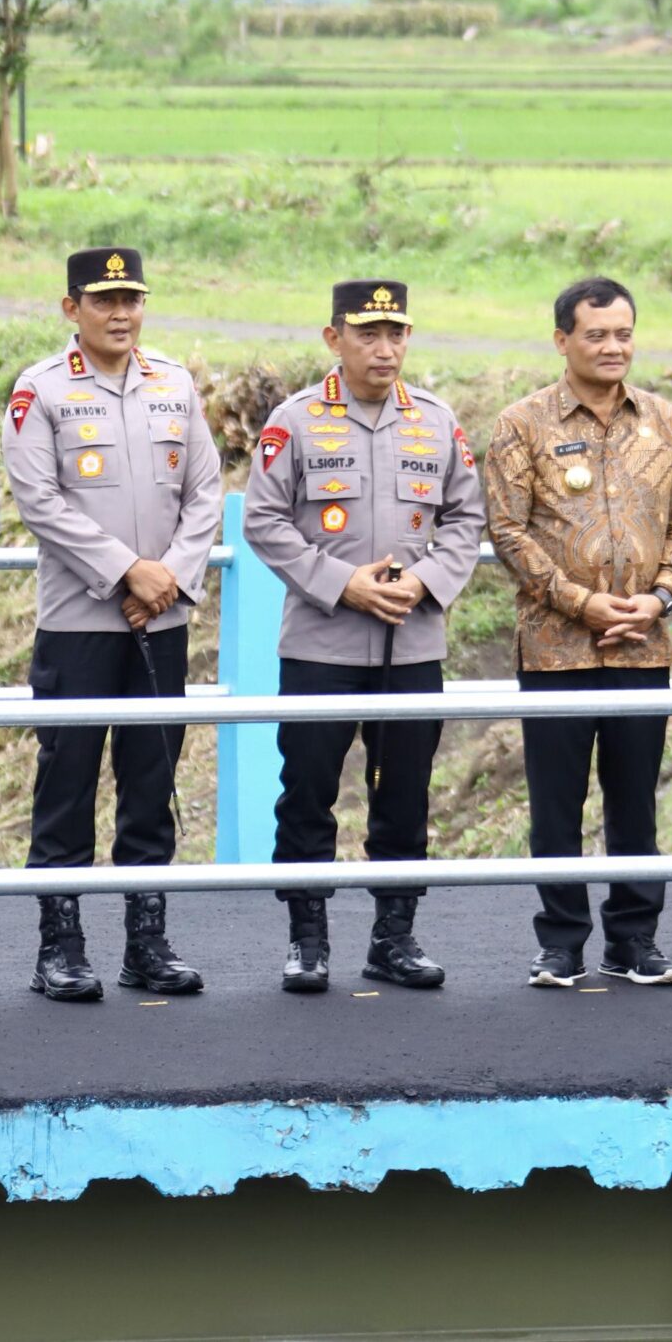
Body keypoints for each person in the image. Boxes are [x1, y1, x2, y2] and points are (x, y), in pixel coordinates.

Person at [242, 280, 487, 993]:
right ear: (334, 338)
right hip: (322, 642)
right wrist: (339, 581)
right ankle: (307, 936)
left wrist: (427, 580)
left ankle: (395, 934)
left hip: (411, 642)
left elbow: (466, 520)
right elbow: (264, 521)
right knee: (308, 791)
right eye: (368, 333)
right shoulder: (294, 420)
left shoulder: (438, 422)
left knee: (405, 791)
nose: (385, 348)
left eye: (396, 333)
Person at [1, 246, 223, 1000]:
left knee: (151, 783)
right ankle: (59, 948)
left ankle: (147, 943)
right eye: (104, 300)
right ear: (72, 309)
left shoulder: (175, 384)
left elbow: (205, 491)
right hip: (80, 624)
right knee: (66, 786)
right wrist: (128, 570)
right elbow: (40, 503)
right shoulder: (41, 392)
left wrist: (170, 578)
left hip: (160, 622)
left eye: (132, 298)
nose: (121, 312)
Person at [484, 276, 672, 990]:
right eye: (597, 334)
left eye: (623, 334)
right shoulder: (522, 425)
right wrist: (582, 602)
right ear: (562, 340)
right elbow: (508, 530)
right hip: (556, 650)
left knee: (635, 802)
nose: (614, 347)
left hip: (644, 643)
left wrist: (660, 596)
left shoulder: (665, 421)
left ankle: (635, 939)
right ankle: (561, 944)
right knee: (556, 805)